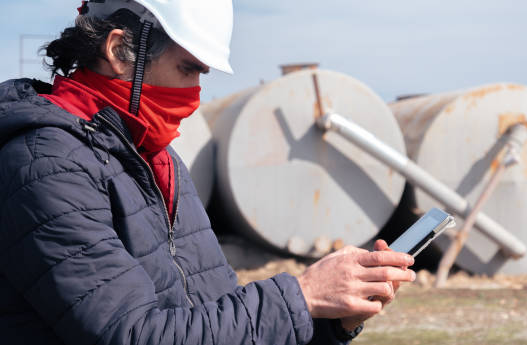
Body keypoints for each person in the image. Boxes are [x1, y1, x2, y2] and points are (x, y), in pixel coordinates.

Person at [0, 1, 416, 344]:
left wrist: (331, 318)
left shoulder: (156, 159)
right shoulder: (45, 164)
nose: (196, 92)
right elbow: (131, 334)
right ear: (119, 49)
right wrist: (304, 295)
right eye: (188, 68)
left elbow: (214, 313)